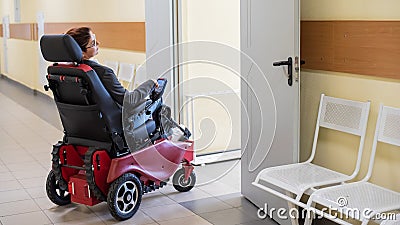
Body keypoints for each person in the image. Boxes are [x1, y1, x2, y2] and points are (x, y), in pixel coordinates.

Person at [65, 27, 156, 106]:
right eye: (93, 43)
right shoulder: (103, 72)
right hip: (113, 121)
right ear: (81, 53)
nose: (98, 43)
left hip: (79, 122)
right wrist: (150, 84)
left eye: (95, 39)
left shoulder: (63, 71)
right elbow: (128, 101)